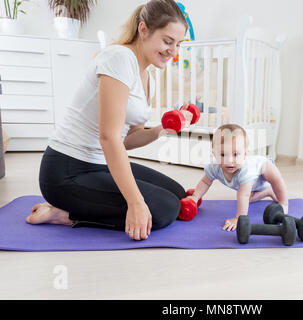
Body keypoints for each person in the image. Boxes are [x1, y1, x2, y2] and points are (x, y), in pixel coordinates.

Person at [26, 0, 190, 241]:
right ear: (143, 30)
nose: (173, 51)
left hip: (99, 164)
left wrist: (162, 129)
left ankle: (78, 206)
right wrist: (135, 203)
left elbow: (128, 139)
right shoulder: (119, 57)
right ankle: (65, 214)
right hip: (66, 171)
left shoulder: (149, 79)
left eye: (178, 44)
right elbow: (109, 137)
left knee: (177, 194)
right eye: (167, 41)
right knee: (165, 210)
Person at [187, 124, 289, 231]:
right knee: (247, 200)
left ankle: (284, 203)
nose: (229, 160)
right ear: (214, 154)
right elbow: (205, 182)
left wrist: (238, 218)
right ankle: (268, 191)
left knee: (275, 179)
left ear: (245, 154)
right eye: (223, 155)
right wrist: (195, 197)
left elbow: (243, 195)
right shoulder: (214, 167)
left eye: (235, 154)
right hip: (252, 186)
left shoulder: (245, 170)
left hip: (262, 168)